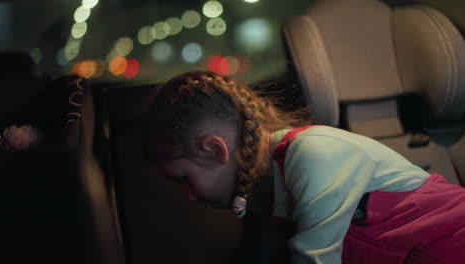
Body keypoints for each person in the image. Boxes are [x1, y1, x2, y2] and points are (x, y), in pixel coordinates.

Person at [141, 70, 465, 264]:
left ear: (215, 149)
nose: (189, 196)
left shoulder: (314, 155)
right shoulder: (264, 194)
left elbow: (314, 258)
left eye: (184, 179)